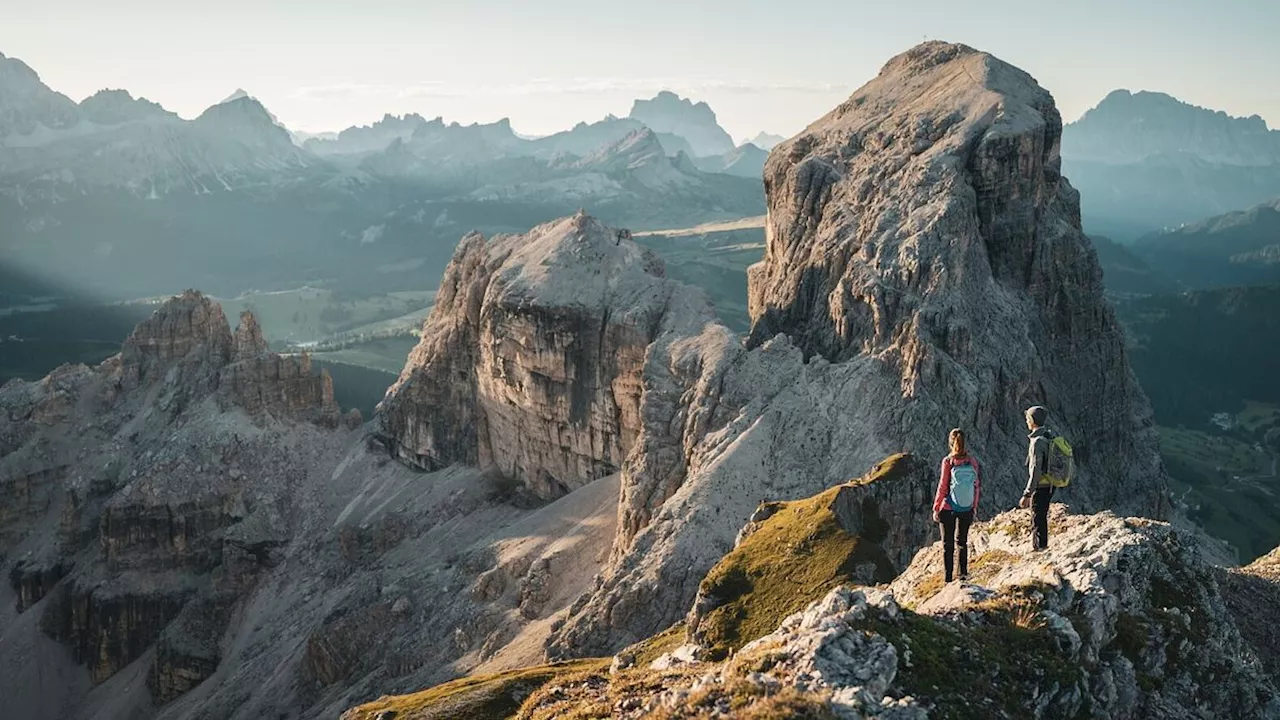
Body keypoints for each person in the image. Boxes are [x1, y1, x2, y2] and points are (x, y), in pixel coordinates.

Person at [932, 428, 981, 582]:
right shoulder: (972, 462)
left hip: (948, 507)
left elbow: (943, 485)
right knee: (962, 542)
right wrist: (973, 506)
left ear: (950, 442)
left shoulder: (948, 462)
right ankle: (963, 575)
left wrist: (936, 507)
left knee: (948, 544)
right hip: (966, 507)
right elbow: (976, 486)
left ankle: (948, 579)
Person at [1019, 405, 1054, 550]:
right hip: (1051, 483)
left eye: (1028, 418)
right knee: (1042, 515)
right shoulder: (1048, 436)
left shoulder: (1037, 442)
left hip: (1041, 485)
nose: (1026, 421)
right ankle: (1043, 546)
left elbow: (1035, 471)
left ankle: (1039, 548)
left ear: (1033, 420)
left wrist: (1027, 493)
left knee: (1037, 518)